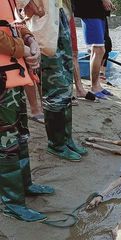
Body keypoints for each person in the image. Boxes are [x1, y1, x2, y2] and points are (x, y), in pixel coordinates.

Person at [1, 0, 54, 222]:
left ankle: (25, 185)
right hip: (3, 84)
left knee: (21, 135)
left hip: (15, 79)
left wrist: (31, 41)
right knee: (6, 143)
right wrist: (22, 49)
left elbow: (17, 25)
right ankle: (12, 202)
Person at [25, 0, 88, 161]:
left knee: (66, 85)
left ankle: (66, 139)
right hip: (44, 22)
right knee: (55, 88)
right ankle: (56, 143)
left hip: (60, 16)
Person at [73, 0, 115, 99]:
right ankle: (94, 87)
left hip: (98, 11)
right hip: (90, 9)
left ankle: (96, 85)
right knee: (99, 49)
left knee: (100, 49)